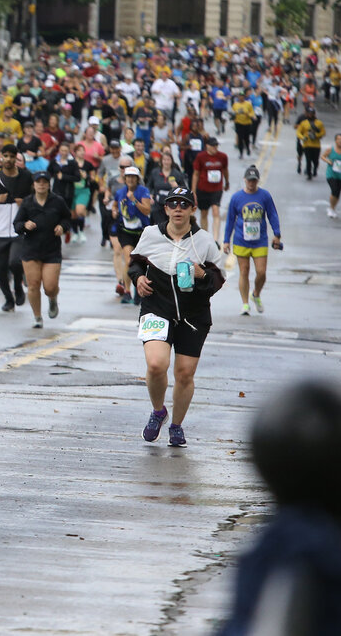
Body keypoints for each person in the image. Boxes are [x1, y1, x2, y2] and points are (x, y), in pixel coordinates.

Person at [128, 186, 225, 448]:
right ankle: (158, 411)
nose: (178, 209)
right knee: (156, 365)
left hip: (193, 315)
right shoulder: (151, 234)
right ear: (166, 208)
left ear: (193, 209)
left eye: (184, 204)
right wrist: (137, 279)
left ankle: (177, 426)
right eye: (173, 204)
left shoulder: (204, 241)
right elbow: (134, 262)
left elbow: (219, 278)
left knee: (184, 374)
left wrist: (202, 275)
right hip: (156, 307)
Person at [0, 142, 33, 313]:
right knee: (0, 268)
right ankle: (8, 299)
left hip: (18, 229)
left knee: (15, 262)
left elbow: (35, 200)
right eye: (6, 156)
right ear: (0, 158)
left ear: (16, 158)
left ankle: (18, 285)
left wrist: (24, 203)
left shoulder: (25, 177)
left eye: (12, 156)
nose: (9, 159)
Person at [222, 166, 282, 316]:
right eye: (249, 180)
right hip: (241, 239)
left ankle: (255, 294)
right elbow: (230, 220)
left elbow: (272, 214)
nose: (251, 183)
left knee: (261, 272)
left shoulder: (265, 196)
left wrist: (277, 233)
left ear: (257, 181)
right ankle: (245, 304)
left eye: (254, 180)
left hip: (259, 240)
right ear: (244, 180)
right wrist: (226, 240)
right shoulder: (236, 198)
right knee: (244, 271)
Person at [14, 170, 70, 329]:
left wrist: (62, 227)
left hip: (51, 250)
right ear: (34, 184)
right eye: (38, 182)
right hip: (31, 250)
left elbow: (67, 218)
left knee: (50, 287)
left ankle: (52, 299)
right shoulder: (27, 202)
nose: (41, 184)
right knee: (32, 285)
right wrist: (25, 226)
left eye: (45, 182)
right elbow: (17, 224)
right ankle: (37, 317)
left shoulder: (57, 201)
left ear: (49, 184)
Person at [113, 167, 154, 305]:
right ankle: (127, 291)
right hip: (125, 232)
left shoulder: (143, 191)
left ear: (137, 179)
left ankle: (139, 289)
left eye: (133, 177)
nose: (130, 179)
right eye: (128, 177)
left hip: (141, 231)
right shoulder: (120, 192)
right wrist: (114, 210)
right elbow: (115, 204)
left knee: (141, 261)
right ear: (125, 179)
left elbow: (147, 210)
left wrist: (134, 200)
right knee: (129, 259)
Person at [190, 136, 229, 235]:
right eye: (213, 146)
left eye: (216, 145)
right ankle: (205, 235)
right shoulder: (201, 157)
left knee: (216, 211)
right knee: (204, 213)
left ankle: (215, 238)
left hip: (216, 189)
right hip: (203, 189)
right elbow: (196, 174)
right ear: (207, 146)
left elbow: (225, 170)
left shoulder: (223, 157)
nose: (215, 148)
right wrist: (193, 190)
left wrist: (227, 181)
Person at [324, 132, 341, 219]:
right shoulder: (330, 149)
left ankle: (333, 208)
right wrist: (328, 161)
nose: (340, 141)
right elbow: (323, 156)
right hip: (331, 174)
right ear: (335, 140)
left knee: (338, 193)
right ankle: (331, 208)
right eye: (338, 139)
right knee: (334, 190)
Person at [296, 106, 326, 181]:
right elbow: (298, 132)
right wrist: (303, 137)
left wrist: (316, 135)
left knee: (315, 160)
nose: (310, 115)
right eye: (309, 113)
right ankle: (309, 174)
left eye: (311, 113)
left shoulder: (319, 123)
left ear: (314, 114)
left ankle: (315, 169)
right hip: (307, 145)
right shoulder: (303, 123)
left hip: (316, 145)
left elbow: (323, 132)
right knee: (308, 160)